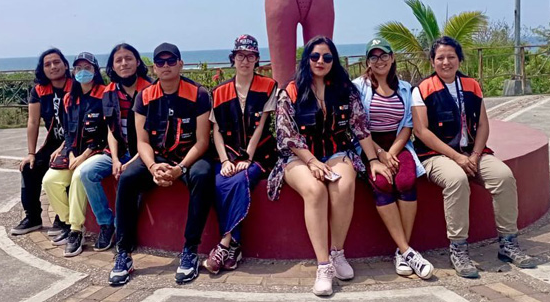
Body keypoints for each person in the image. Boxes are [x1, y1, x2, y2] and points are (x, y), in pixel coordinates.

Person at [267, 36, 389, 297]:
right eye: (315, 56)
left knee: (343, 185)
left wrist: (375, 160)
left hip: (336, 151)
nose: (320, 62)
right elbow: (286, 134)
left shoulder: (344, 89)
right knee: (315, 191)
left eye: (327, 57)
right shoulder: (291, 91)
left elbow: (360, 127)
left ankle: (337, 253)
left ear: (333, 60)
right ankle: (323, 266)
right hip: (298, 156)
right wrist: (311, 161)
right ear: (306, 59)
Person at [412, 36, 536, 279]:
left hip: (473, 152)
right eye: (440, 58)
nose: (446, 62)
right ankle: (458, 249)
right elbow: (421, 131)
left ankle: (508, 243)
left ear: (459, 58)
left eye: (451, 57)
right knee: (456, 180)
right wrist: (457, 158)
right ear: (432, 61)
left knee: (503, 177)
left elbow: (482, 124)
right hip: (436, 155)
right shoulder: (422, 89)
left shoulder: (471, 85)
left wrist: (476, 155)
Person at [109, 43, 213, 286]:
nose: (165, 66)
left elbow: (202, 141)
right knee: (127, 178)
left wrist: (180, 169)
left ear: (180, 63)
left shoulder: (198, 94)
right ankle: (123, 252)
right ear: (154, 67)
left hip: (190, 157)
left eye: (170, 61)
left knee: (203, 175)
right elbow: (142, 142)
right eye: (160, 62)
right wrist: (154, 167)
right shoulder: (145, 96)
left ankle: (190, 250)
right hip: (158, 158)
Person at [353, 38, 433, 279]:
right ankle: (409, 251)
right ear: (367, 61)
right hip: (369, 145)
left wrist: (393, 153)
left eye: (384, 55)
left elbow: (408, 125)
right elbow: (357, 127)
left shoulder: (406, 88)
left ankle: (401, 251)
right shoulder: (358, 87)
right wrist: (379, 154)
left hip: (398, 144)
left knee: (407, 181)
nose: (380, 61)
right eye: (374, 57)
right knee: (383, 184)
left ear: (393, 57)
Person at [204, 35, 277, 274]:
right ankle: (234, 246)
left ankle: (224, 243)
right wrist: (225, 160)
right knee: (219, 182)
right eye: (240, 56)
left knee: (240, 179)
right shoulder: (219, 91)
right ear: (233, 59)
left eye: (250, 56)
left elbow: (260, 126)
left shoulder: (268, 86)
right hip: (227, 154)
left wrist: (247, 158)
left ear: (256, 60)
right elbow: (215, 130)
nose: (245, 61)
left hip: (259, 155)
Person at [77, 44, 153, 252]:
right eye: (118, 60)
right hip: (117, 152)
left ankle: (122, 231)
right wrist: (117, 159)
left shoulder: (150, 89)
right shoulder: (109, 92)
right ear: (112, 66)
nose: (124, 63)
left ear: (138, 62)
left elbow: (155, 134)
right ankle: (105, 223)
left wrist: (131, 161)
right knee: (87, 172)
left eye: (128, 58)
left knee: (131, 179)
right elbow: (111, 129)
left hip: (144, 153)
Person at [41, 52, 108, 257]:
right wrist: (69, 153)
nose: (82, 72)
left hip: (97, 152)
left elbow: (106, 132)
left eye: (87, 68)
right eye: (78, 68)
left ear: (95, 71)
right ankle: (69, 223)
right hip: (75, 153)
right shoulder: (70, 99)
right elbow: (68, 132)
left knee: (80, 175)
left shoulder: (105, 95)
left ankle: (76, 231)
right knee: (50, 180)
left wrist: (84, 155)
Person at [11, 48, 72, 236]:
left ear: (65, 64)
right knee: (29, 168)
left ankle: (62, 218)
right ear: (42, 69)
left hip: (75, 141)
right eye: (48, 64)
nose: (53, 67)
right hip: (53, 142)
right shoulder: (39, 90)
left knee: (63, 168)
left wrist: (65, 147)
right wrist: (31, 153)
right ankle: (33, 217)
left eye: (56, 62)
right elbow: (33, 121)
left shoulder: (75, 85)